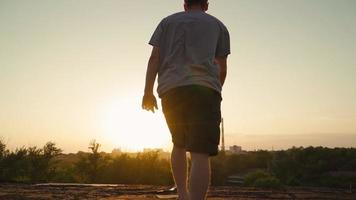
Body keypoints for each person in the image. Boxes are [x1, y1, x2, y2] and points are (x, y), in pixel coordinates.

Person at [142, 0, 230, 199]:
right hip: (205, 89)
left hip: (171, 89)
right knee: (200, 151)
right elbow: (221, 66)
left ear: (185, 4)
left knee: (178, 143)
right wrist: (216, 90)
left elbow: (154, 58)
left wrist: (148, 92)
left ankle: (182, 194)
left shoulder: (167, 22)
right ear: (206, 5)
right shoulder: (218, 25)